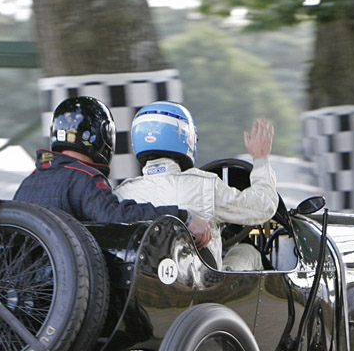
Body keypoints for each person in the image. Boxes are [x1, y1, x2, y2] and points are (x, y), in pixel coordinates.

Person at [13, 96, 211, 248]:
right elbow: (115, 217)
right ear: (102, 136)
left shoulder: (29, 182)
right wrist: (182, 216)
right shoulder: (84, 178)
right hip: (72, 288)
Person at [114, 101, 278, 271]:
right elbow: (263, 206)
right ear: (186, 137)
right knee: (248, 252)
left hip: (144, 287)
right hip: (202, 290)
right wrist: (260, 159)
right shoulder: (204, 185)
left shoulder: (121, 194)